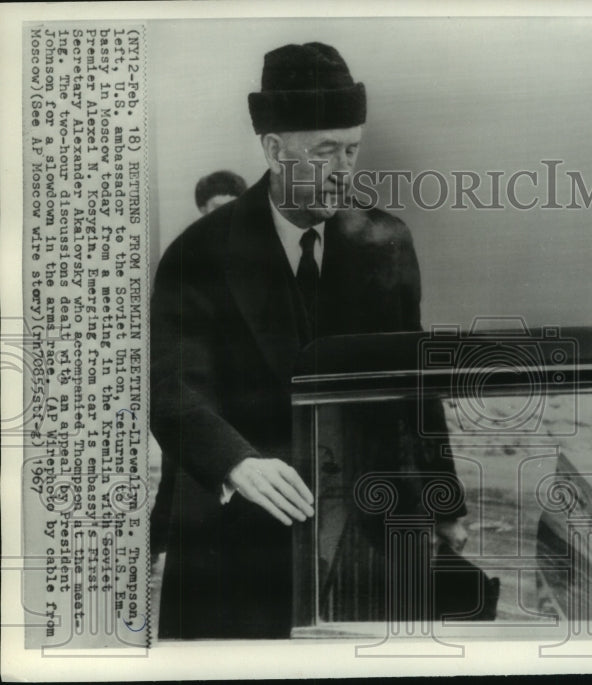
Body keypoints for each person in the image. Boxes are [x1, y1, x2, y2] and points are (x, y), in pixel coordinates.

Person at [150, 42, 466, 639]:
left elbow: (414, 384)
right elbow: (172, 388)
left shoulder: (387, 241)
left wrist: (445, 504)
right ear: (274, 149)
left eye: (351, 149)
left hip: (363, 532)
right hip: (239, 538)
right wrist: (236, 461)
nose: (343, 170)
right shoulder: (197, 255)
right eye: (324, 151)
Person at [150, 170, 250, 559]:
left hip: (238, 391)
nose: (220, 218)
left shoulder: (255, 257)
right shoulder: (186, 259)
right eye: (212, 211)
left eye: (229, 211)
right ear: (200, 212)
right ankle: (156, 550)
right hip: (196, 388)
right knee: (179, 478)